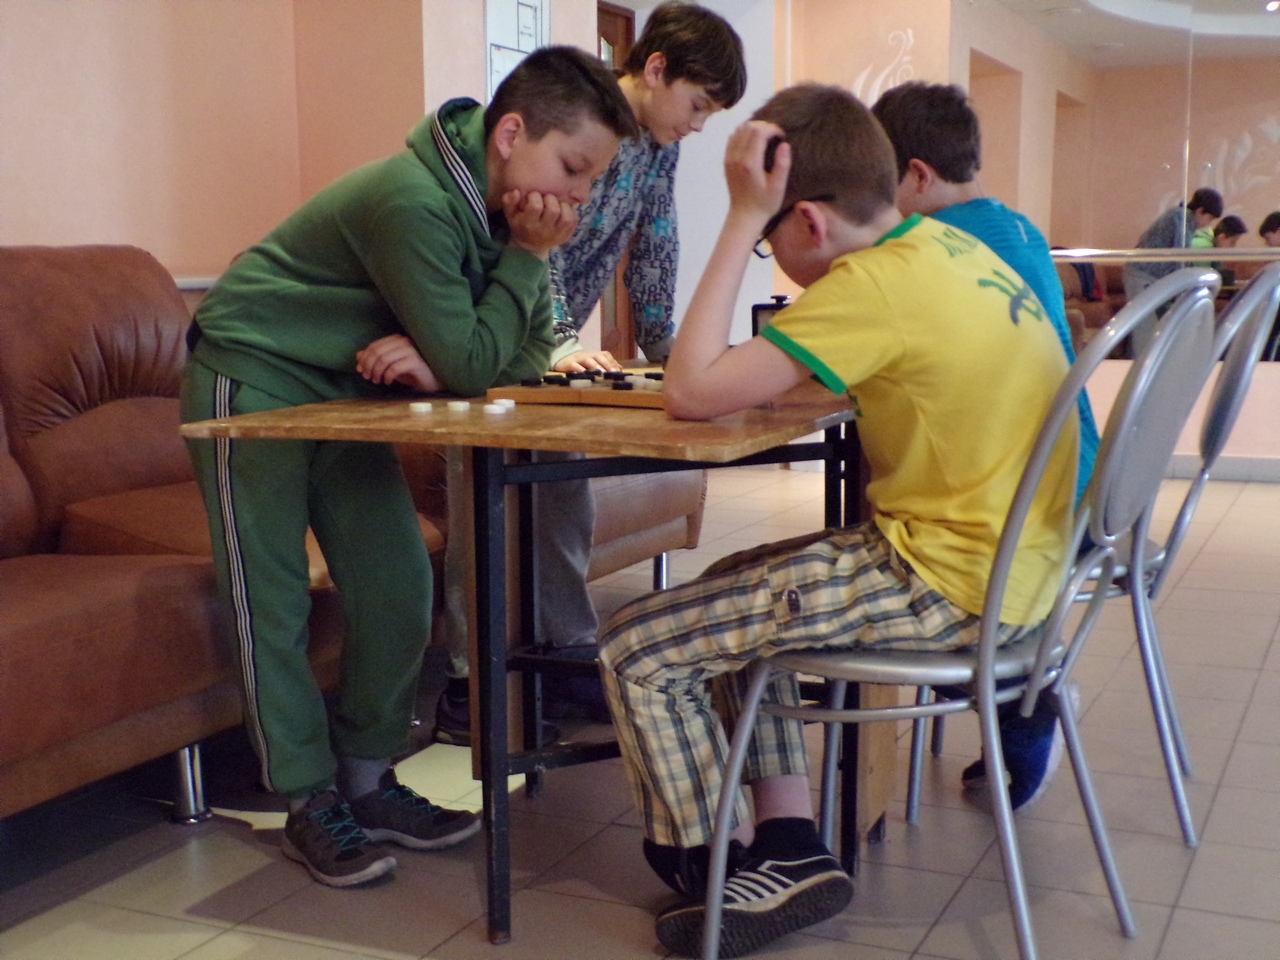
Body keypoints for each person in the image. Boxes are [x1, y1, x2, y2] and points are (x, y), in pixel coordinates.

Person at [597, 84, 1076, 957]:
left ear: (809, 223)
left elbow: (690, 391)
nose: (770, 252)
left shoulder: (871, 285)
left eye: (771, 239)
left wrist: (741, 217)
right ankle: (788, 846)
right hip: (1021, 573)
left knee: (637, 647)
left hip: (945, 583)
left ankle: (713, 867)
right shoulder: (943, 247)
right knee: (732, 590)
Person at [181, 46, 637, 889]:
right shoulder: (414, 201)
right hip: (251, 373)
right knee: (270, 597)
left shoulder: (499, 212)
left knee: (397, 581)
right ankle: (308, 797)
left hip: (342, 387)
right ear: (511, 135)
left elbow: (522, 360)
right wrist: (512, 279)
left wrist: (450, 352)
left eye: (591, 181)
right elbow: (475, 363)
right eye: (574, 169)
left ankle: (367, 781)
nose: (577, 198)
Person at [432, 2, 748, 742]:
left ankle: (560, 660)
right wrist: (559, 339)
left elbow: (658, 244)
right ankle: (467, 687)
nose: (699, 124)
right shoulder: (577, 120)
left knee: (562, 494)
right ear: (657, 69)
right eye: (698, 104)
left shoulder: (659, 149)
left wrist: (675, 355)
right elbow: (528, 230)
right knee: (484, 505)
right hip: (488, 333)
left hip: (551, 351)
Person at [870, 80, 1097, 812]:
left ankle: (1022, 702)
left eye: (880, 186)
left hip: (1023, 504)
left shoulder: (938, 246)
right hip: (1085, 480)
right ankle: (1024, 686)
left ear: (915, 176)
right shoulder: (1016, 229)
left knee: (934, 537)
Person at [1122, 187, 1223, 353]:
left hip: (1149, 276)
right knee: (1144, 329)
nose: (1208, 224)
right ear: (1200, 211)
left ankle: (1141, 363)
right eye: (1209, 218)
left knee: (1148, 329)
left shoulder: (1182, 218)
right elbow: (1179, 257)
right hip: (1141, 274)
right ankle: (1139, 365)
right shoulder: (1181, 219)